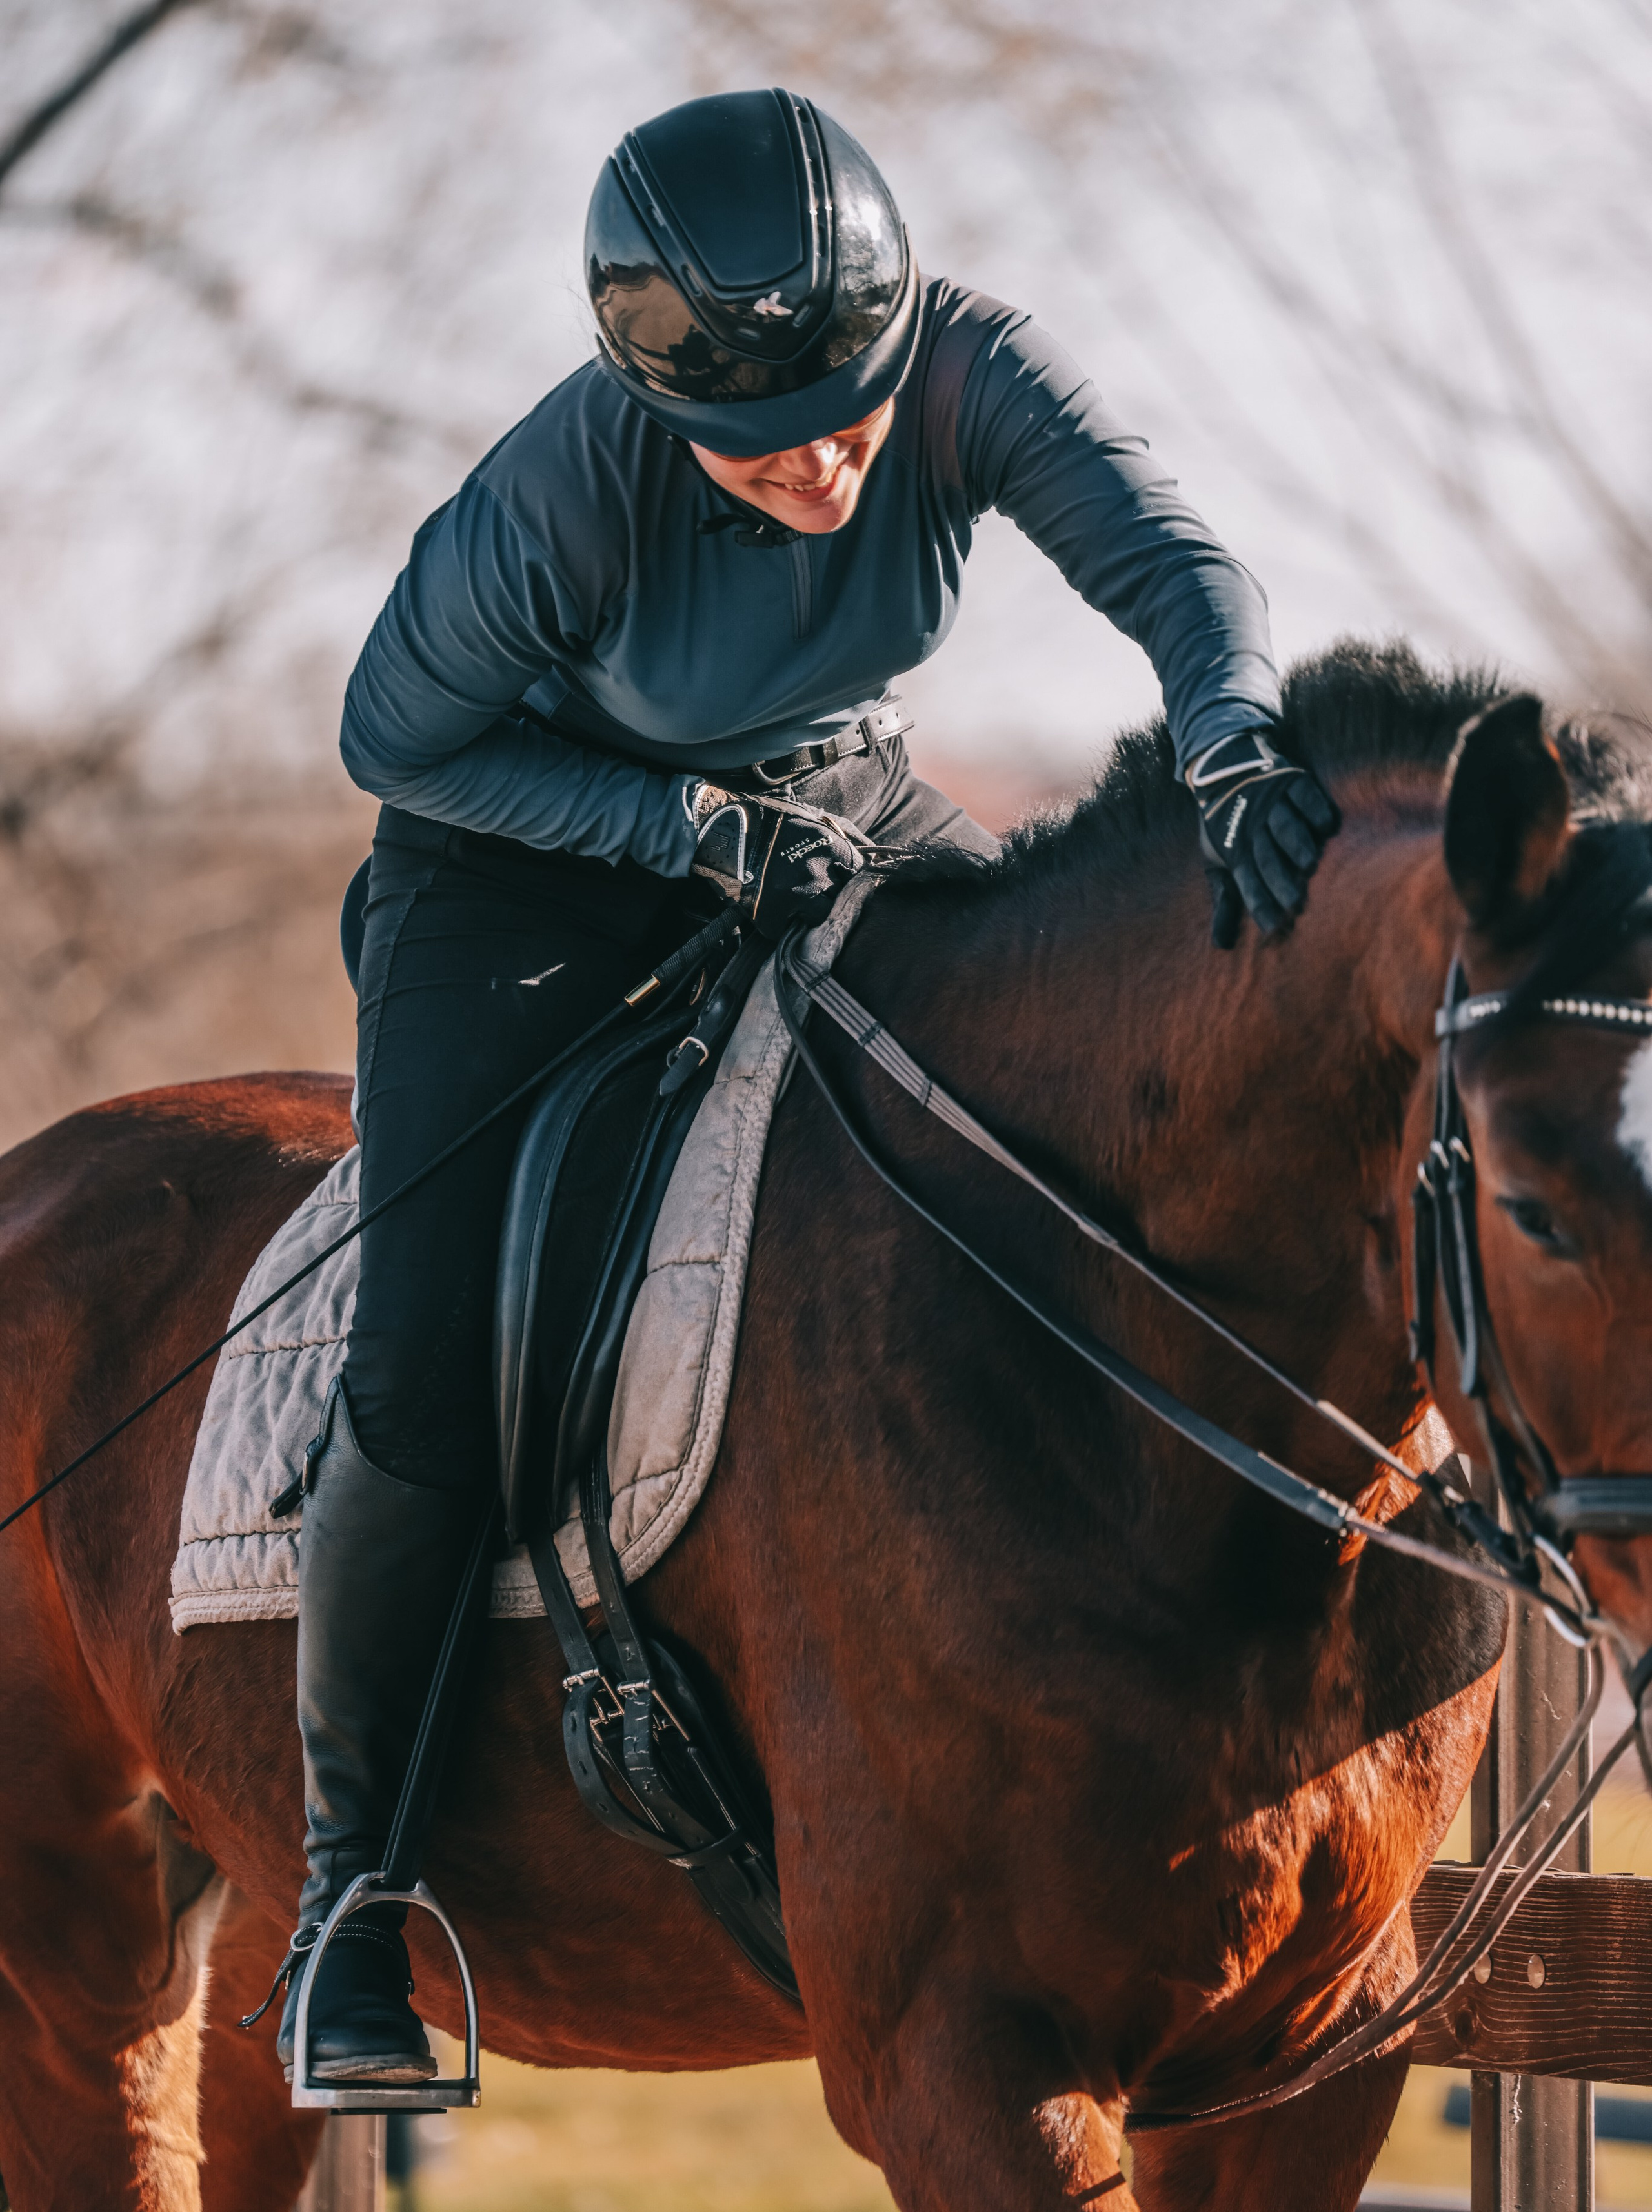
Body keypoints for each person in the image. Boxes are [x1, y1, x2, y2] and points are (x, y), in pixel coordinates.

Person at [274, 86, 1338, 2087]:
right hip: (515, 858)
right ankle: (352, 1898)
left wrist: (1226, 738)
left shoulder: (966, 368)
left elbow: (1176, 564)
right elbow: (393, 741)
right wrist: (677, 829)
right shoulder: (562, 494)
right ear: (669, 422)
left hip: (828, 797)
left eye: (851, 404)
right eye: (767, 447)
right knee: (422, 1359)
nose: (832, 457)